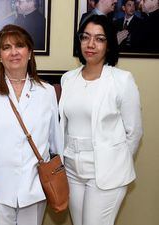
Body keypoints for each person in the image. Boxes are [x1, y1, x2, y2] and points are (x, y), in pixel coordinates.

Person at [0, 24, 63, 225]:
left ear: (29, 52)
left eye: (19, 45)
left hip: (35, 190)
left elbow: (56, 143)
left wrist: (56, 181)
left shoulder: (46, 92)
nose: (13, 52)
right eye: (6, 47)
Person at [59, 15, 143, 225]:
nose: (91, 44)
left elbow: (134, 132)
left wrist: (115, 160)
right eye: (85, 37)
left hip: (105, 173)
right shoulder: (69, 78)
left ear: (109, 44)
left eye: (99, 38)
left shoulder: (122, 80)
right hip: (72, 170)